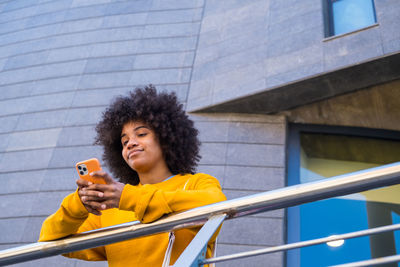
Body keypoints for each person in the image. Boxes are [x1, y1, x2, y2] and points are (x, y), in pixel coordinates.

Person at [39, 85, 227, 266]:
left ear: (166, 137)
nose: (130, 143)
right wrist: (79, 204)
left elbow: (216, 204)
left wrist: (129, 198)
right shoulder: (109, 207)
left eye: (142, 134)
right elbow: (50, 238)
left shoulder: (195, 183)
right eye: (124, 141)